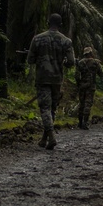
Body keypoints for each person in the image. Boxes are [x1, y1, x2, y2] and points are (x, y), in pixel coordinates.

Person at [26, 12, 75, 149]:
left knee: (45, 109)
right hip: (57, 79)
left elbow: (30, 59)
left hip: (42, 78)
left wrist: (40, 59)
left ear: (48, 23)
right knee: (52, 109)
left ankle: (51, 137)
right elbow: (71, 62)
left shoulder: (37, 39)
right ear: (60, 25)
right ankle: (44, 139)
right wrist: (62, 62)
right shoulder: (66, 41)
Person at [74, 46, 103, 129]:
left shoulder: (80, 63)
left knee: (81, 104)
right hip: (91, 86)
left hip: (82, 86)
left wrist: (78, 84)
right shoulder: (95, 63)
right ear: (91, 53)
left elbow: (76, 75)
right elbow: (101, 74)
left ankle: (80, 123)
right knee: (88, 104)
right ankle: (85, 122)